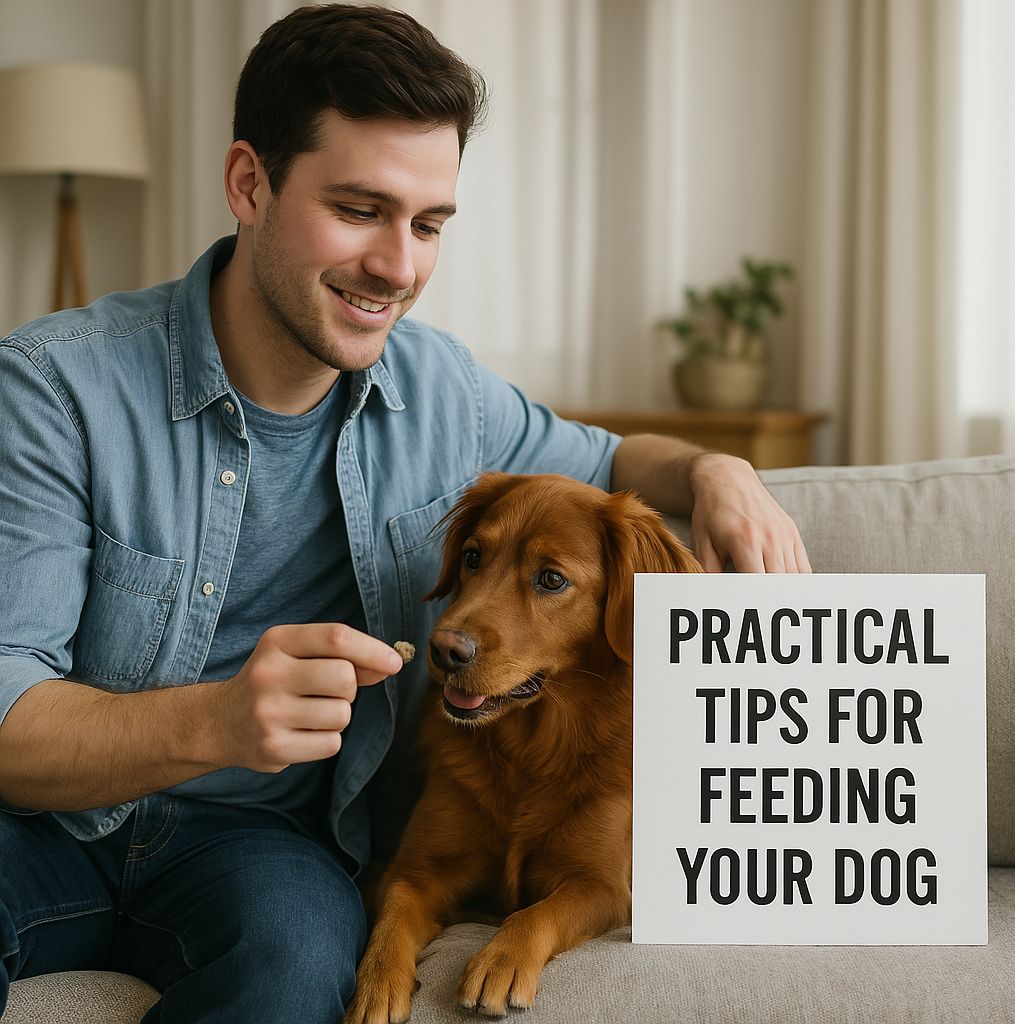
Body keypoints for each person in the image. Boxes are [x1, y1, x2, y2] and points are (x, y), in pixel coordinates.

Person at [0, 4, 810, 1021]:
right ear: (249, 183)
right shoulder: (52, 388)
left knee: (298, 971)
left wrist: (719, 470)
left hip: (253, 849)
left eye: (427, 224)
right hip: (35, 828)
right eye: (357, 209)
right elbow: (5, 715)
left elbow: (609, 463)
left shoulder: (445, 395)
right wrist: (218, 719)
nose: (398, 266)